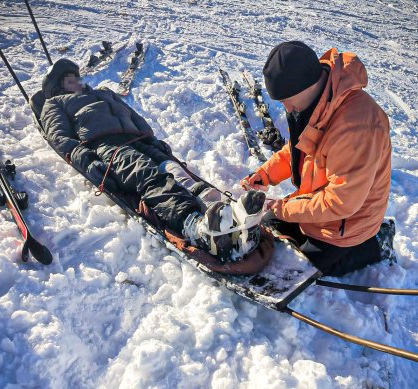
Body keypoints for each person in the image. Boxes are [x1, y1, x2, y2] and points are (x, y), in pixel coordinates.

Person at [40, 59, 265, 262]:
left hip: (139, 140)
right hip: (108, 147)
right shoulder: (55, 104)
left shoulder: (104, 93)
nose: (78, 81)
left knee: (173, 169)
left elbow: (134, 117)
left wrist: (152, 140)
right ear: (57, 87)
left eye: (77, 77)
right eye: (71, 80)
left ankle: (227, 217)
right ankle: (196, 227)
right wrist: (87, 161)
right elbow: (60, 138)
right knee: (148, 174)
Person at [241, 41, 396, 276]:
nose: (284, 106)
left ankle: (375, 243)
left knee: (307, 267)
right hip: (320, 201)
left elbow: (340, 202)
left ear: (307, 84)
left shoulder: (357, 127)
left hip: (348, 223)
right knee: (269, 226)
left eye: (286, 99)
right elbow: (297, 149)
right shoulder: (312, 101)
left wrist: (286, 208)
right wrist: (265, 174)